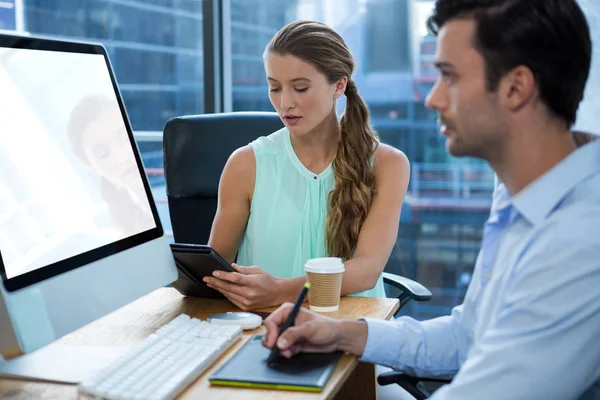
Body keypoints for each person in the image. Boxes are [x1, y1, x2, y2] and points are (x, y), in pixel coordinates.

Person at [262, 1, 600, 399]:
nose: (432, 99)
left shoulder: (579, 239)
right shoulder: (523, 200)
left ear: (516, 88)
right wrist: (340, 332)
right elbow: (466, 336)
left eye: (449, 77)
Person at [202, 20, 410, 310]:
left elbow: (367, 269)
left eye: (300, 88)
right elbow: (214, 274)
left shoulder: (388, 165)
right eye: (274, 88)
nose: (285, 103)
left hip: (352, 332)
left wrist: (280, 291)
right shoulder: (245, 164)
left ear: (339, 85)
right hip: (267, 332)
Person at [67, 94, 155, 237]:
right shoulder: (128, 232)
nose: (122, 157)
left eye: (125, 136)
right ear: (94, 168)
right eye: (102, 153)